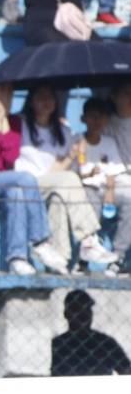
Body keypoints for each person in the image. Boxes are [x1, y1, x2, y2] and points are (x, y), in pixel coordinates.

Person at [0, 83, 66, 276]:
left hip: (4, 182)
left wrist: (5, 124)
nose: (7, 96)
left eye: (10, 92)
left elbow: (10, 158)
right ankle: (40, 240)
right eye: (2, 91)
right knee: (25, 178)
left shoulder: (14, 122)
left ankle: (17, 258)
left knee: (16, 193)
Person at [14, 85, 116, 272]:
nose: (47, 102)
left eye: (50, 98)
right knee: (68, 180)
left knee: (58, 200)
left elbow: (60, 170)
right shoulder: (20, 126)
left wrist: (74, 155)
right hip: (28, 184)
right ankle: (88, 238)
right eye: (41, 97)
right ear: (31, 102)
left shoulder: (62, 130)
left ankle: (60, 261)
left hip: (54, 184)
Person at [69, 97, 131, 276]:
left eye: (101, 117)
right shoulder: (77, 140)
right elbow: (75, 173)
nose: (97, 121)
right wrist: (89, 174)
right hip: (86, 188)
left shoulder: (109, 141)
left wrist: (110, 192)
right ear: (83, 119)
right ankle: (83, 259)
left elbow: (113, 169)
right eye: (92, 116)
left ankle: (117, 257)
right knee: (90, 204)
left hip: (107, 188)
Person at [51, 290, 131, 376]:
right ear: (66, 314)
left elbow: (127, 370)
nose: (83, 315)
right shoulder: (60, 343)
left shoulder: (105, 343)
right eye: (77, 310)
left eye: (86, 309)